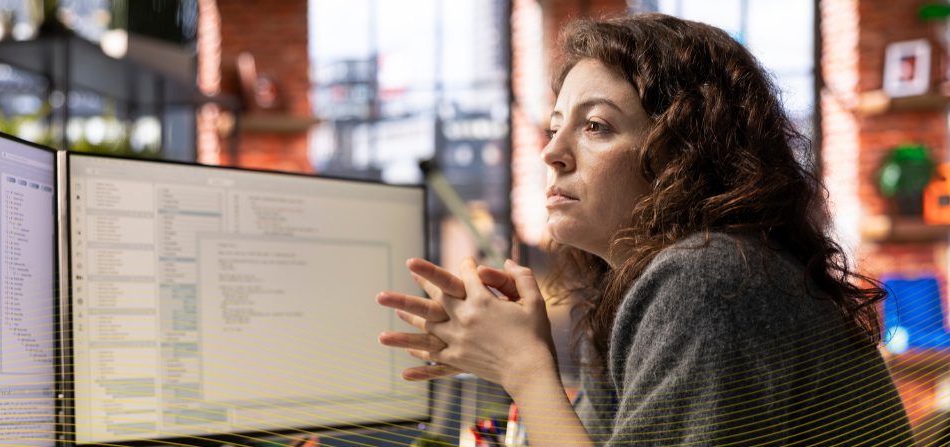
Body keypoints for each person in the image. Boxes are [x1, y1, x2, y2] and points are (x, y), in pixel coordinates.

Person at [376, 13, 914, 446]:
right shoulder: (638, 291)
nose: (551, 151)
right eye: (555, 125)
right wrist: (521, 348)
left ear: (684, 156)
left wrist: (525, 369)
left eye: (595, 126)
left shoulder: (713, 280)